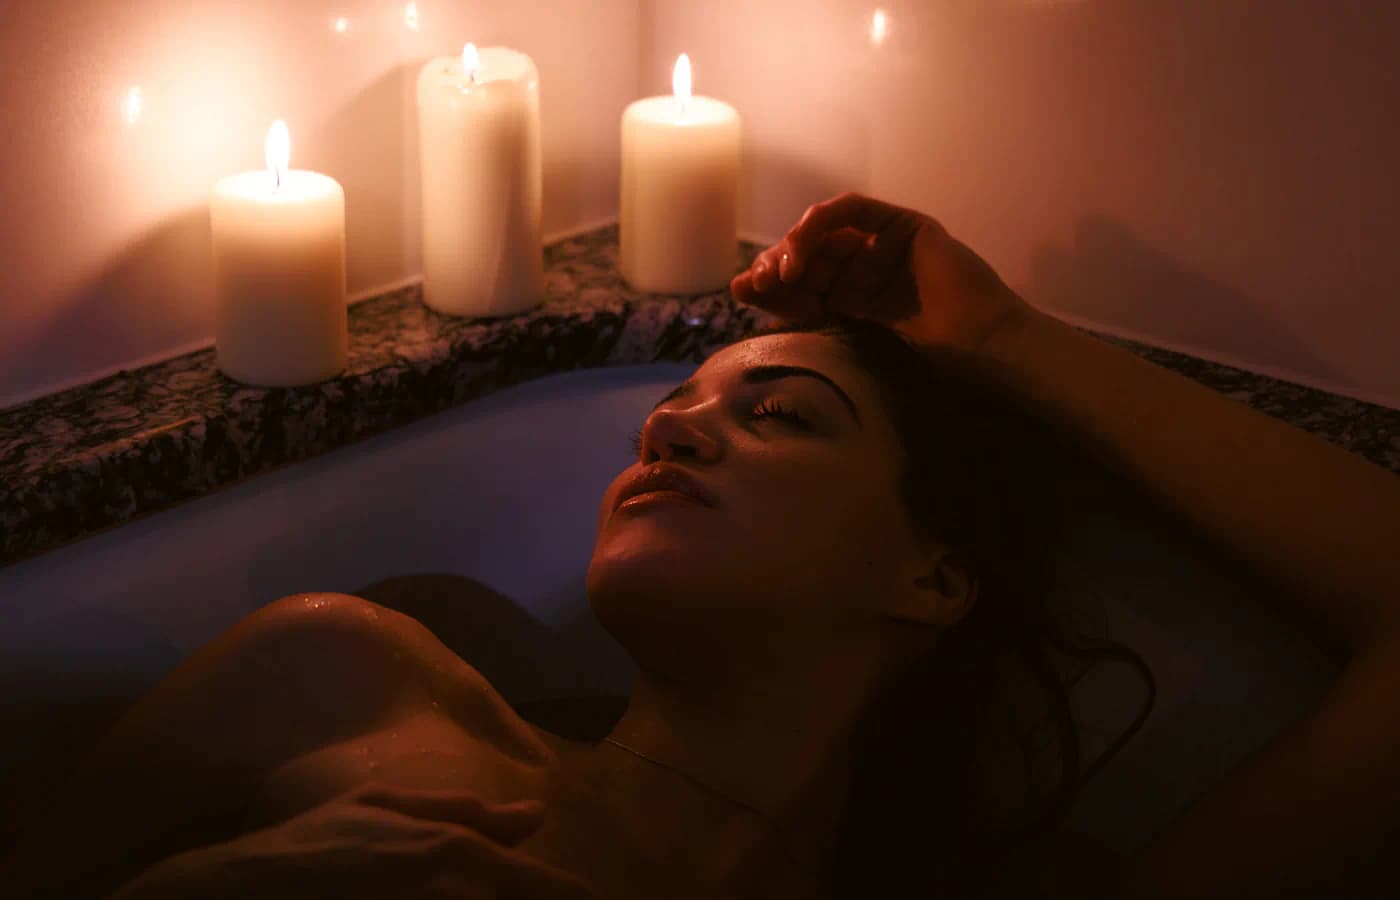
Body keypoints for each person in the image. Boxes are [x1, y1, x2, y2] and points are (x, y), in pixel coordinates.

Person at [2, 192, 1397, 900]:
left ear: (933, 575)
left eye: (778, 413)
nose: (665, 435)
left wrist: (1006, 341)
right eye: (667, 414)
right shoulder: (345, 683)